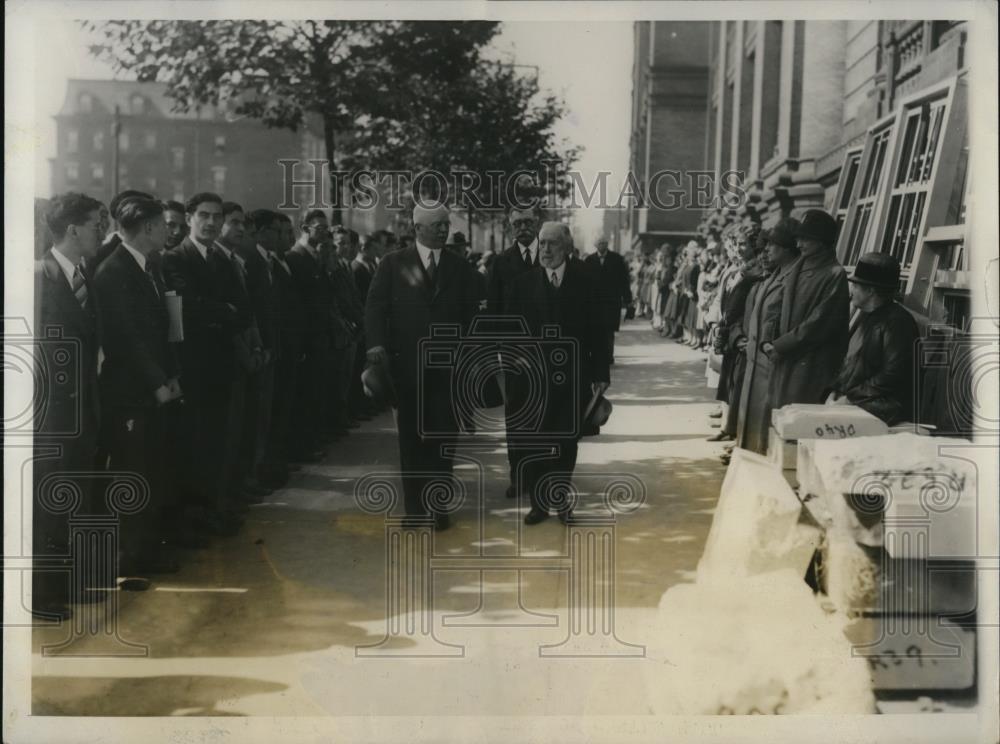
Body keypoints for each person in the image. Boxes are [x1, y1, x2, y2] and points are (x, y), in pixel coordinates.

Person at [364, 203, 483, 530]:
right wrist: (375, 344)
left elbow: (473, 317)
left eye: (446, 224)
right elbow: (375, 307)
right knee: (412, 439)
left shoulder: (461, 268)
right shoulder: (392, 264)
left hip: (449, 369)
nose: (444, 230)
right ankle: (415, 508)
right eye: (437, 225)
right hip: (407, 368)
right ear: (418, 228)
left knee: (444, 438)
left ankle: (439, 506)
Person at [92, 197, 183, 582]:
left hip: (152, 388)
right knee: (132, 473)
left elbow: (164, 329)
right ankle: (127, 561)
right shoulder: (114, 271)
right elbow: (125, 340)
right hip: (131, 392)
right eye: (163, 225)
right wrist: (157, 382)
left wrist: (171, 375)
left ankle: (143, 552)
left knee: (150, 469)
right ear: (147, 228)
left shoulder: (148, 266)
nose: (169, 231)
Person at [505, 222, 609, 525]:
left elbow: (598, 332)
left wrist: (601, 372)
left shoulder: (586, 282)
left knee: (566, 442)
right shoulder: (522, 285)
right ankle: (539, 505)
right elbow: (510, 332)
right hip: (532, 380)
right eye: (542, 243)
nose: (545, 250)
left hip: (572, 377)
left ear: (566, 247)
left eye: (552, 244)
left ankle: (560, 500)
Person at [33, 192, 105, 616]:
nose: (103, 230)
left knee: (74, 499)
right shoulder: (40, 276)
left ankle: (65, 584)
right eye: (97, 222)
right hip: (52, 417)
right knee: (48, 503)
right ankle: (41, 594)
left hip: (82, 411)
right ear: (73, 229)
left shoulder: (84, 274)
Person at [161, 192, 248, 537]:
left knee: (217, 442)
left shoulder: (223, 260)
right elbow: (185, 310)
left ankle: (211, 510)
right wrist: (221, 310)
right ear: (189, 217)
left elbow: (243, 310)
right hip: (192, 367)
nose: (211, 223)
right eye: (204, 216)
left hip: (221, 366)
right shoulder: (174, 259)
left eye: (216, 216)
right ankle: (190, 521)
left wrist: (219, 311)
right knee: (191, 444)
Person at [825, 252, 920, 425]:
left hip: (884, 409)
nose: (851, 290)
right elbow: (849, 364)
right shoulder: (866, 315)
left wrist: (850, 398)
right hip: (860, 401)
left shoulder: (898, 322)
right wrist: (835, 390)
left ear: (870, 290)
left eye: (856, 286)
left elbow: (892, 376)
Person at [487, 206, 541, 501]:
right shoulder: (501, 262)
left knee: (543, 412)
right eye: (517, 223)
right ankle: (518, 475)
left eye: (528, 222)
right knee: (516, 414)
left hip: (545, 350)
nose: (523, 228)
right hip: (512, 351)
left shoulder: (549, 255)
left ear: (537, 223)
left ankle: (539, 475)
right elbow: (493, 309)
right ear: (510, 228)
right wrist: (495, 350)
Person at [735, 218, 801, 455]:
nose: (766, 251)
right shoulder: (775, 274)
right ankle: (746, 451)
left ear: (785, 248)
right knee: (752, 414)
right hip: (756, 358)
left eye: (771, 246)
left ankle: (755, 454)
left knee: (763, 419)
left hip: (770, 361)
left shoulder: (792, 277)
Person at [285, 210, 342, 460]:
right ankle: (302, 446)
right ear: (305, 227)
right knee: (305, 395)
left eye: (325, 228)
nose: (323, 232)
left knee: (316, 391)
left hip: (320, 336)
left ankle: (311, 441)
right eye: (318, 227)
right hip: (306, 338)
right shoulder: (295, 257)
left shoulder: (318, 256)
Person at [583, 236, 632, 364]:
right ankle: (597, 355)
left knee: (609, 330)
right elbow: (584, 282)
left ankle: (608, 356)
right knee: (596, 329)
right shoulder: (589, 260)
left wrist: (627, 299)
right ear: (595, 245)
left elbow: (624, 280)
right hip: (594, 303)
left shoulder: (617, 259)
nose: (602, 245)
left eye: (604, 243)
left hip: (612, 301)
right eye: (600, 243)